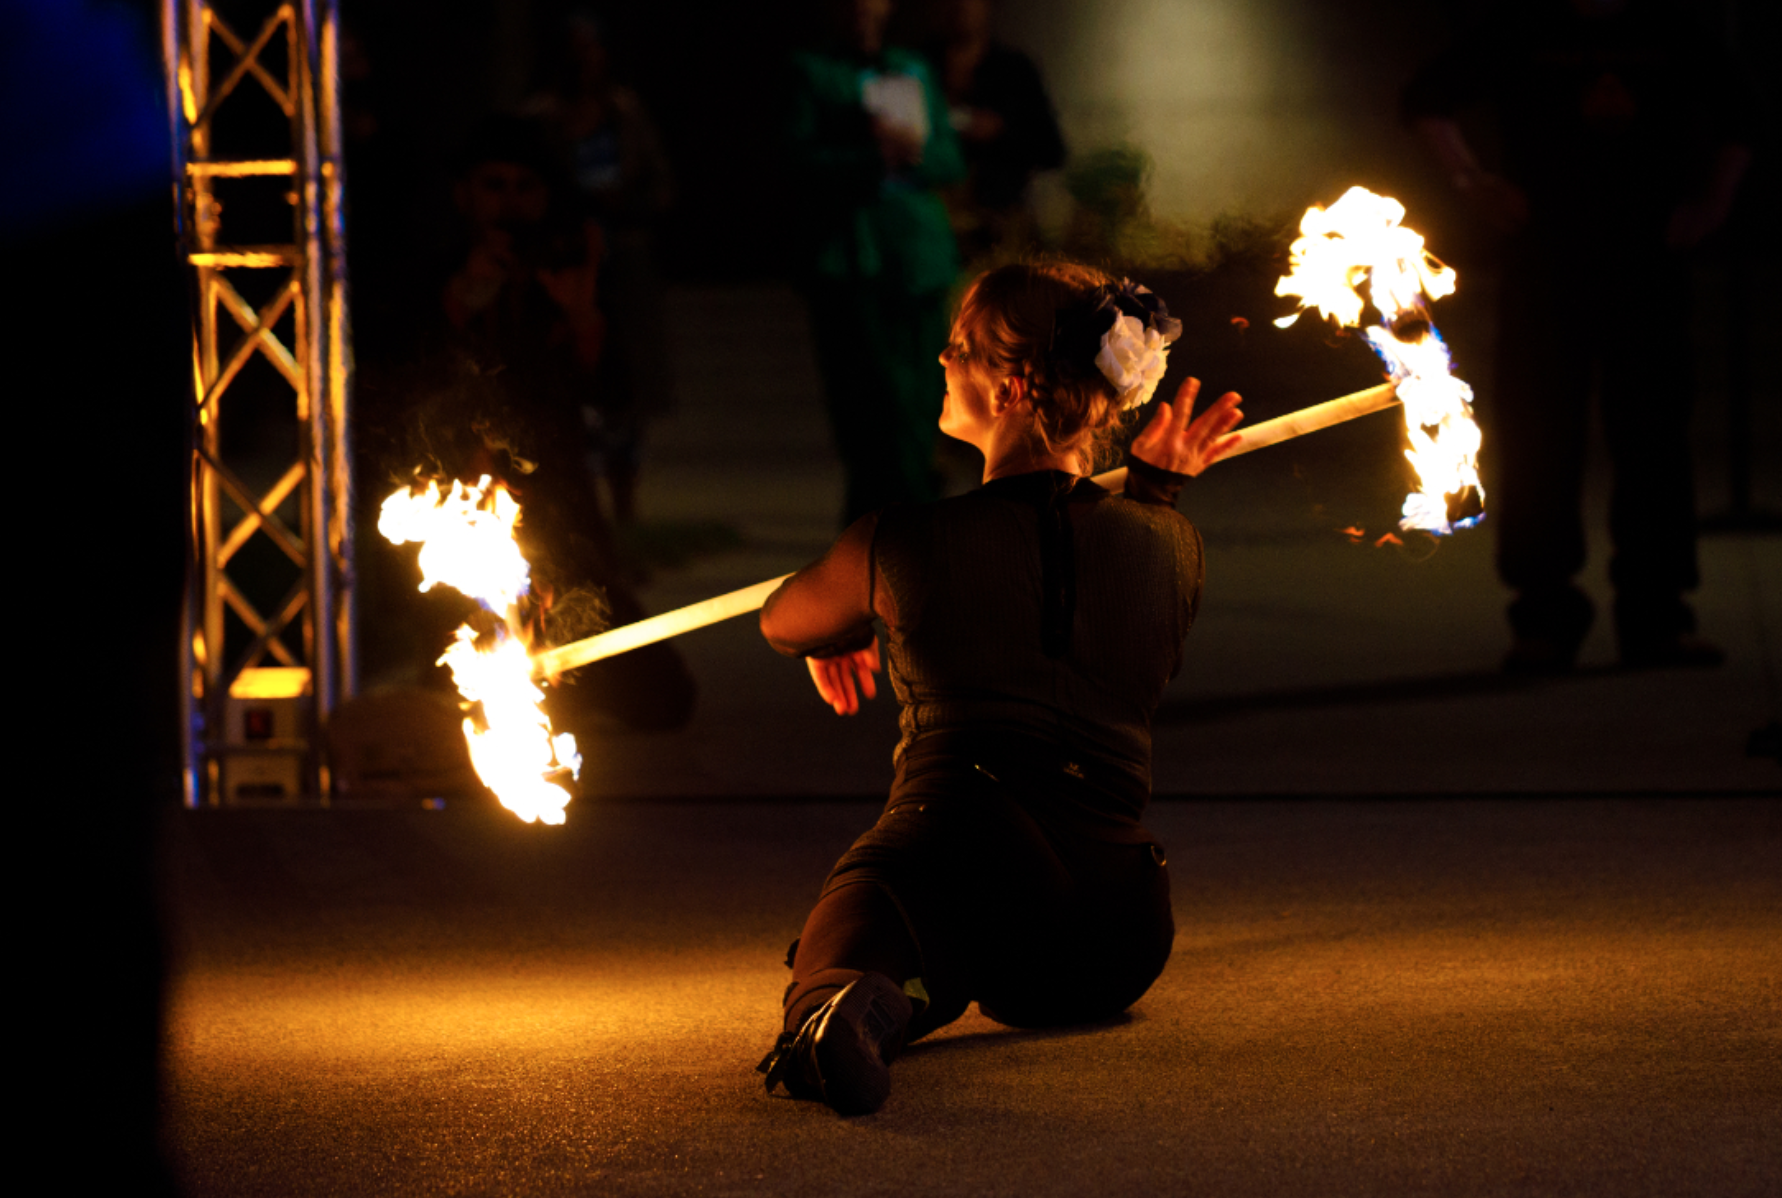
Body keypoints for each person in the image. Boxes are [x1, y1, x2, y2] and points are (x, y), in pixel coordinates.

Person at [754, 261, 1245, 1115]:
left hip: (961, 871)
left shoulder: (899, 542)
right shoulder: (1176, 548)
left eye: (958, 351)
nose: (942, 364)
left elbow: (782, 619)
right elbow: (1097, 568)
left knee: (870, 922)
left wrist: (847, 621)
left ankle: (844, 1006)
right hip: (1114, 935)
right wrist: (1160, 493)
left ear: (1013, 386)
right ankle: (880, 999)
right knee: (965, 905)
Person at [1403, 0, 1755, 672]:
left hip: (1646, 266)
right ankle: (1542, 618)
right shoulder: (1525, 26)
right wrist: (1471, 180)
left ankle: (1657, 619)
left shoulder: (1671, 28)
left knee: (1653, 440)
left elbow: (1744, 117)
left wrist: (1713, 204)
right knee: (1539, 440)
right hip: (1545, 267)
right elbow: (1425, 99)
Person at [785, 0, 967, 524]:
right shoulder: (812, 71)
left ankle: (908, 521)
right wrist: (870, 153)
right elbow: (797, 160)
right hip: (854, 260)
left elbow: (949, 158)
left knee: (926, 401)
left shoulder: (912, 68)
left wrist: (913, 150)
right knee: (871, 407)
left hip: (919, 260)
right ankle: (886, 528)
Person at [931, 0, 1067, 263]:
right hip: (935, 230)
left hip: (999, 230)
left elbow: (1052, 150)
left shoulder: (1014, 70)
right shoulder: (919, 67)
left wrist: (1000, 133)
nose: (961, 6)